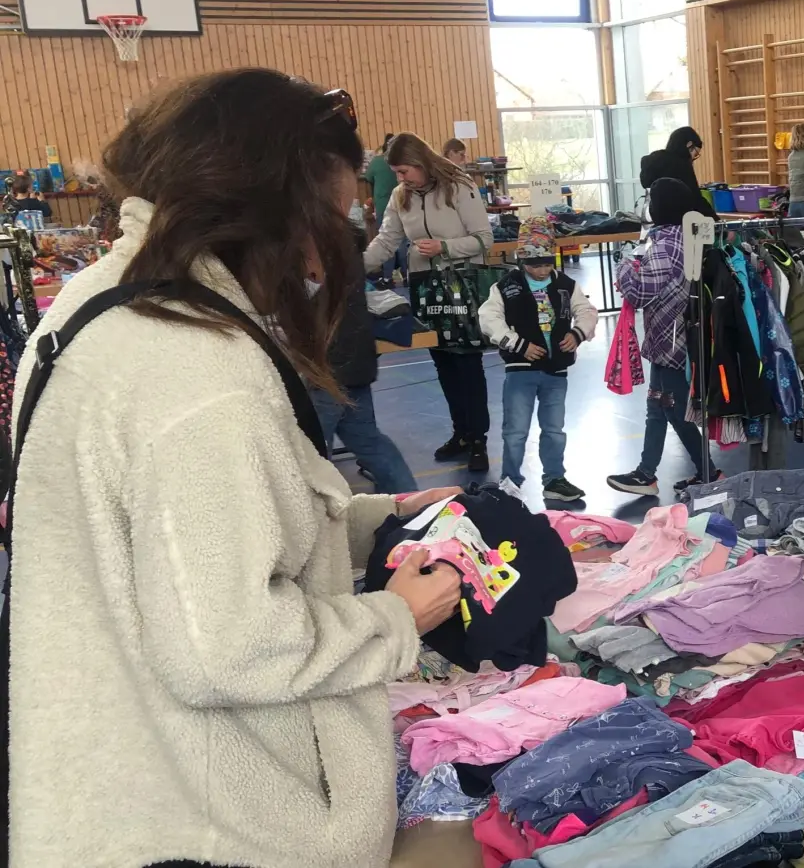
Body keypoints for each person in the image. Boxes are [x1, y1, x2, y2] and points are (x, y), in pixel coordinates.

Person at [6, 68, 464, 866]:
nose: (336, 242)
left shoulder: (99, 301)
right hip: (212, 822)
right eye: (336, 208)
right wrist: (393, 619)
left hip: (121, 779)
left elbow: (171, 536)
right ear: (276, 204)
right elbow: (229, 645)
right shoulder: (199, 371)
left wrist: (369, 520)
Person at [364, 132, 495, 472]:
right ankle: (461, 434)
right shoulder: (400, 196)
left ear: (421, 163)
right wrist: (354, 266)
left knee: (467, 363)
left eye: (405, 171)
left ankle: (478, 437)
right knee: (444, 363)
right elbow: (387, 239)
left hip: (463, 284)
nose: (400, 178)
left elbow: (484, 239)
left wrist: (445, 248)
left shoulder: (458, 185)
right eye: (396, 172)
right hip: (426, 286)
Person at [607, 178, 722, 498]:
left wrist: (623, 264)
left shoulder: (666, 244)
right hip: (672, 338)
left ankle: (707, 471)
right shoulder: (683, 237)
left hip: (673, 341)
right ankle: (648, 473)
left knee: (671, 407)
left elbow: (639, 290)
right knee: (658, 406)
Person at [479, 248, 598, 502]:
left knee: (554, 429)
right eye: (535, 266)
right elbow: (488, 318)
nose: (542, 271)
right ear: (523, 262)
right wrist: (517, 344)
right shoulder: (506, 286)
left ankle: (555, 479)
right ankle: (510, 482)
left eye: (547, 265)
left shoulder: (566, 285)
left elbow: (587, 311)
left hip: (556, 370)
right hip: (520, 371)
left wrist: (577, 333)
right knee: (516, 430)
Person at [311, 222, 421, 494]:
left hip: (326, 367)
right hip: (353, 361)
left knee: (312, 453)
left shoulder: (319, 266)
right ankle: (413, 503)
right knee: (368, 441)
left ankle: (321, 517)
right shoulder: (348, 256)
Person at [639, 126, 712, 213]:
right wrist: (715, 219)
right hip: (677, 217)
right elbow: (695, 198)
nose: (693, 158)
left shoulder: (650, 160)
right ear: (689, 145)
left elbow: (645, 184)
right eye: (695, 154)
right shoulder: (682, 165)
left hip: (654, 215)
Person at [363, 132, 399, 230]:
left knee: (385, 240)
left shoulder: (376, 161)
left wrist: (370, 201)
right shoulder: (403, 161)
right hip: (403, 206)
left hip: (383, 207)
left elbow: (367, 180)